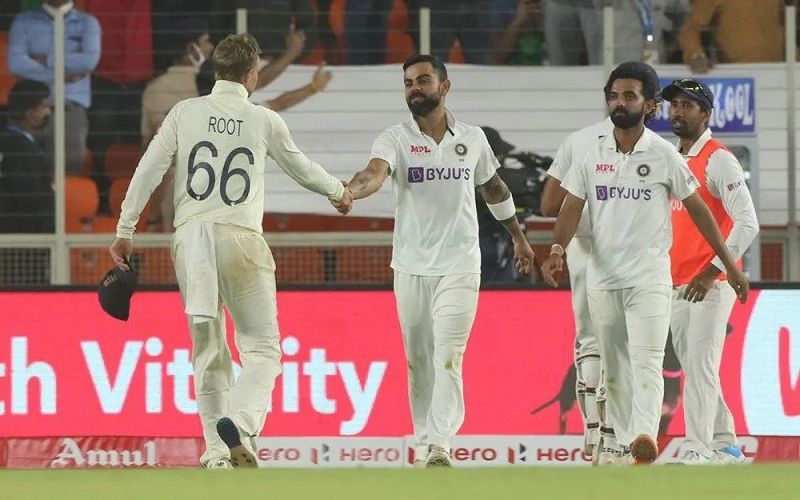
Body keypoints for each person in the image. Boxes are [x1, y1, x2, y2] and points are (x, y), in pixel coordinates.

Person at [109, 33, 352, 469]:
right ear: (251, 73)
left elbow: (149, 169)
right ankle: (240, 423)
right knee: (262, 349)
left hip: (191, 240)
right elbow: (301, 168)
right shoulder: (262, 119)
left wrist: (126, 228)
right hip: (241, 236)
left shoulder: (185, 112)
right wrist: (339, 192)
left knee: (208, 351)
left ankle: (218, 454)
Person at [540, 61, 749, 465]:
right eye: (614, 95)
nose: (620, 102)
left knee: (648, 359)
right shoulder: (590, 153)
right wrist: (556, 250)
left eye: (630, 95)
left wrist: (728, 266)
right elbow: (569, 207)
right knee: (614, 367)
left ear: (649, 105)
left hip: (650, 278)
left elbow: (701, 211)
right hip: (602, 278)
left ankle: (643, 436)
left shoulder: (665, 155)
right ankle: (621, 443)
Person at [334, 54, 536, 467]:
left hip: (461, 263)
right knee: (418, 361)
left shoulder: (474, 138)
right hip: (409, 266)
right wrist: (353, 190)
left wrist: (518, 237)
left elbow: (494, 189)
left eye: (423, 80)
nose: (414, 88)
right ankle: (424, 441)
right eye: (408, 82)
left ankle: (440, 442)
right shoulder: (394, 137)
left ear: (445, 86)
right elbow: (373, 172)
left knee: (449, 353)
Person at [662, 78, 758, 464]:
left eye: (687, 105)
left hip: (709, 285)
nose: (678, 112)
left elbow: (747, 222)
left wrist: (712, 271)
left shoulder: (718, 158)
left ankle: (697, 448)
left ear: (706, 114)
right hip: (675, 283)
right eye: (674, 105)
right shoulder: (671, 158)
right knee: (696, 367)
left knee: (699, 367)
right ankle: (726, 444)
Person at [540, 115, 612, 460]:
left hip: (583, 246)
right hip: (623, 250)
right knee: (623, 343)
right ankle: (611, 432)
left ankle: (593, 429)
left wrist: (585, 202)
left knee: (590, 339)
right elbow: (550, 206)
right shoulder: (658, 149)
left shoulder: (578, 140)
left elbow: (549, 204)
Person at [7, 0, 101, 175]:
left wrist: (46, 60)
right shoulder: (23, 22)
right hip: (29, 110)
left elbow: (88, 61)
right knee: (19, 173)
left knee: (67, 178)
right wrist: (61, 76)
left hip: (69, 111)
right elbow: (17, 64)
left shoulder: (88, 23)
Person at [0, 79, 54, 233]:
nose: (48, 112)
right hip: (25, 237)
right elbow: (31, 198)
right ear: (28, 111)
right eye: (43, 106)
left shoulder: (11, 141)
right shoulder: (21, 148)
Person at [678, 0, 783, 73]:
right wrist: (696, 56)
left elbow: (787, 24)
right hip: (738, 75)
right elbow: (690, 29)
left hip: (781, 72)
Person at [195, 59, 333, 111]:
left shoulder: (186, 113)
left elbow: (278, 103)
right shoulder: (243, 113)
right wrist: (312, 88)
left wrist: (312, 88)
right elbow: (278, 104)